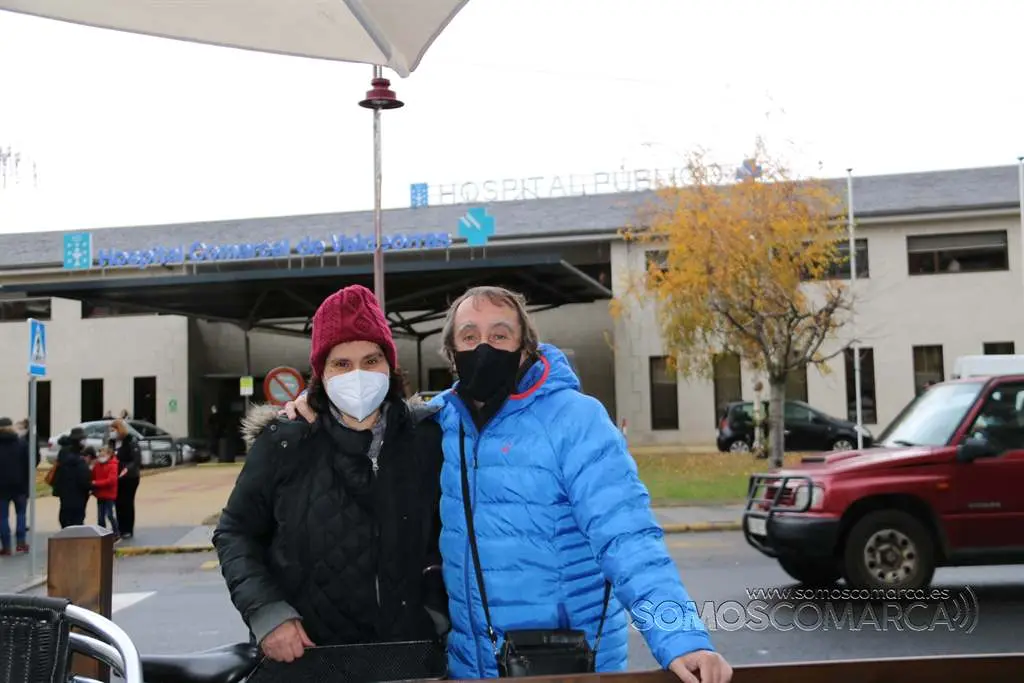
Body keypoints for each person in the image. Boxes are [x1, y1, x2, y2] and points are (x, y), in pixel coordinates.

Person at [285, 285, 733, 683]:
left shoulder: (577, 420)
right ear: (451, 352)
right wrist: (315, 401)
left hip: (564, 662)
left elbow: (629, 538)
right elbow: (367, 424)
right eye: (469, 336)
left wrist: (682, 638)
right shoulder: (439, 422)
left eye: (500, 335)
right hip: (471, 665)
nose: (484, 346)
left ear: (525, 350)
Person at [212, 284, 448, 667]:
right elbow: (234, 532)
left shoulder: (426, 439)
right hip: (310, 657)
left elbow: (450, 534)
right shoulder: (285, 442)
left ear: (390, 365)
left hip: (409, 655)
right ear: (321, 373)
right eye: (342, 364)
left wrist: (436, 611)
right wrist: (268, 614)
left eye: (371, 360)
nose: (359, 375)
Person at [0, 417, 31, 555]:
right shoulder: (21, 443)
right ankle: (21, 543)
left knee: (2, 517)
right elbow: (28, 465)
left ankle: (6, 546)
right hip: (20, 485)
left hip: (1, 487)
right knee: (21, 514)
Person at [51, 428, 93, 528]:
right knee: (77, 522)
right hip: (78, 496)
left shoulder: (63, 454)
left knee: (65, 520)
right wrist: (91, 486)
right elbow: (84, 480)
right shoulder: (79, 461)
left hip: (65, 495)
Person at [111, 418, 141, 539]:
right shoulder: (112, 442)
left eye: (114, 430)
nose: (112, 433)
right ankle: (120, 528)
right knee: (118, 503)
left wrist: (126, 469)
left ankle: (128, 529)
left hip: (130, 477)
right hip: (116, 476)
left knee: (127, 502)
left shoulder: (131, 441)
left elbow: (136, 459)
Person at [86, 446, 120, 537]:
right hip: (100, 495)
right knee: (100, 517)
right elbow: (92, 476)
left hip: (109, 495)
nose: (101, 457)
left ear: (109, 455)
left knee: (110, 515)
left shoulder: (113, 465)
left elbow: (111, 481)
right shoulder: (97, 465)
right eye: (100, 455)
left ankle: (116, 532)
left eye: (103, 455)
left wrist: (96, 483)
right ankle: (102, 533)